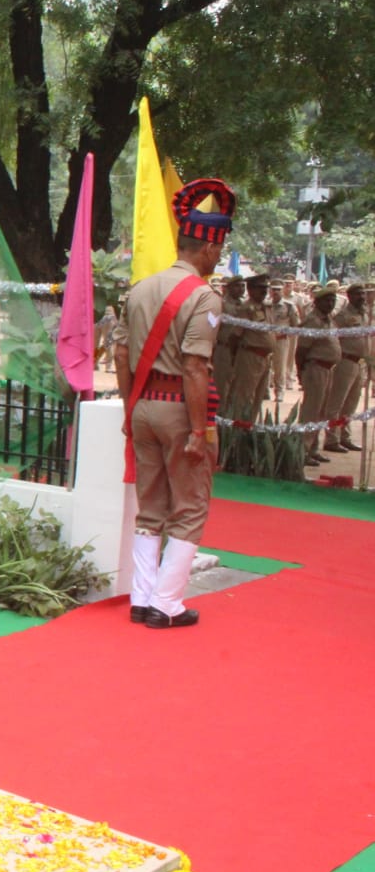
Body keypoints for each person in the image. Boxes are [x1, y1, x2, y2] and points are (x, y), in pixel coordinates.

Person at [113, 178, 233, 629]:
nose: (218, 258)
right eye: (217, 250)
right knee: (190, 506)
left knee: (151, 506)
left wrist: (130, 409)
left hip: (143, 406)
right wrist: (200, 431)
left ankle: (142, 598)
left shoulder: (140, 288)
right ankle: (167, 603)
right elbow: (195, 368)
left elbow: (123, 354)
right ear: (205, 248)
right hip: (179, 410)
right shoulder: (203, 296)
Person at [297, 282, 341, 466]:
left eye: (333, 300)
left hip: (329, 369)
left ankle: (313, 449)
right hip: (316, 368)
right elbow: (301, 350)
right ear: (317, 302)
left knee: (321, 412)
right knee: (311, 411)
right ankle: (302, 450)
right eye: (327, 300)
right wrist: (301, 371)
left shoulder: (329, 319)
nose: (330, 303)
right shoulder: (312, 320)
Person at [324, 281, 371, 453]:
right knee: (336, 402)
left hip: (360, 363)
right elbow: (334, 338)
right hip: (345, 361)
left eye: (363, 294)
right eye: (358, 294)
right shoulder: (342, 317)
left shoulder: (365, 315)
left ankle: (345, 436)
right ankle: (331, 439)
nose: (362, 297)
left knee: (351, 403)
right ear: (350, 296)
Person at [225, 274, 272, 423]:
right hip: (250, 355)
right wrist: (234, 356)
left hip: (265, 357)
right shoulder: (246, 308)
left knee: (258, 397)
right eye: (260, 288)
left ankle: (249, 427)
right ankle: (237, 432)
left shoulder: (266, 307)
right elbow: (235, 335)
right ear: (251, 290)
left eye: (265, 288)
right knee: (244, 397)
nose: (264, 291)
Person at [212, 275, 246, 407]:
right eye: (237, 286)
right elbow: (212, 325)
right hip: (224, 349)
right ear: (229, 288)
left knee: (237, 387)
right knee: (221, 385)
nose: (241, 289)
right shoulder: (221, 304)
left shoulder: (244, 305)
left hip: (240, 351)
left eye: (243, 286)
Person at [265, 281, 299, 401]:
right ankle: (265, 391)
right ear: (269, 291)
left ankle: (279, 392)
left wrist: (285, 332)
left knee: (280, 368)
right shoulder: (265, 305)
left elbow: (296, 325)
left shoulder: (288, 306)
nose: (275, 292)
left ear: (282, 290)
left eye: (278, 289)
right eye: (273, 289)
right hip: (266, 340)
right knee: (265, 367)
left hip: (281, 341)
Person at [95, 303, 119, 371]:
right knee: (107, 343)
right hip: (103, 312)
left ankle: (95, 364)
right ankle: (107, 366)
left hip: (100, 312)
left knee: (102, 343)